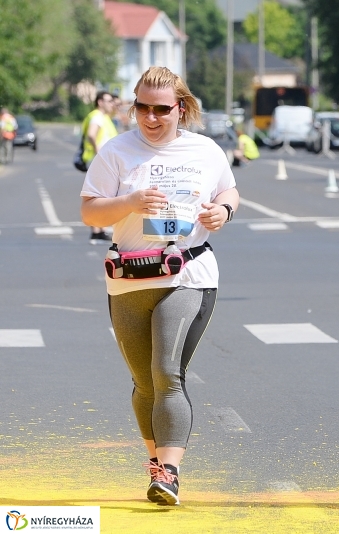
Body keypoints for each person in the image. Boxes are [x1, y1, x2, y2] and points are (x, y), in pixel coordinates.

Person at [80, 66, 239, 506]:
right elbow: (90, 212)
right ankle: (156, 464)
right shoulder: (116, 151)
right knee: (143, 382)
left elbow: (229, 191)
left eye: (161, 109)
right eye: (142, 108)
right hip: (129, 278)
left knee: (167, 373)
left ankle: (170, 472)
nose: (151, 117)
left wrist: (223, 212)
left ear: (181, 108)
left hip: (187, 274)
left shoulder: (204, 150)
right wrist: (129, 202)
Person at [81, 91, 119, 244]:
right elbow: (92, 134)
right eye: (108, 101)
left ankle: (99, 229)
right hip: (99, 160)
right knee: (98, 195)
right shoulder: (97, 116)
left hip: (103, 160)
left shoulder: (104, 117)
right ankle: (97, 230)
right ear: (100, 102)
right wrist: (98, 150)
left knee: (103, 194)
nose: (111, 104)